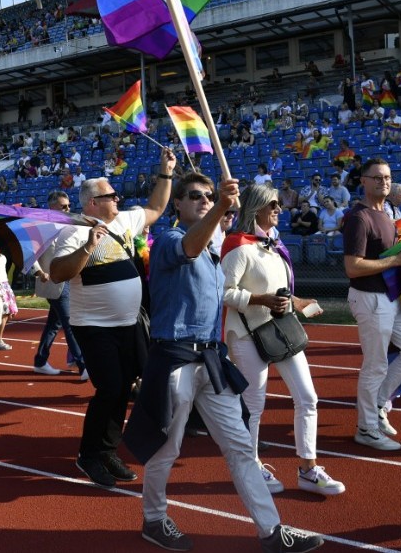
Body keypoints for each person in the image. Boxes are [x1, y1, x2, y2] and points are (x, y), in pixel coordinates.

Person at [122, 173, 324, 553]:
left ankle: (271, 530)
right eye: (194, 196)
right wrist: (220, 207)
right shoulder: (168, 240)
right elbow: (190, 247)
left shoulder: (217, 253)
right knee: (167, 448)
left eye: (208, 195)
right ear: (177, 205)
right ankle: (153, 518)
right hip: (175, 359)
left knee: (242, 446)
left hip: (211, 359)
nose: (202, 200)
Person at [50, 147, 176, 488]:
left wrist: (165, 172)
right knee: (110, 388)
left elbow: (155, 207)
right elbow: (58, 273)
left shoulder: (123, 220)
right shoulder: (72, 232)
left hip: (127, 324)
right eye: (111, 195)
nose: (118, 198)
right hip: (94, 326)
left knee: (122, 389)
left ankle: (107, 450)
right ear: (92, 202)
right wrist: (87, 247)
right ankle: (89, 454)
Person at [222, 184, 344, 496]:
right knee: (254, 404)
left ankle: (308, 468)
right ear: (256, 208)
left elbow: (280, 290)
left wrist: (298, 302)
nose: (280, 209)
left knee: (308, 397)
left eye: (279, 204)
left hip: (280, 329)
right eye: (273, 204)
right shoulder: (238, 245)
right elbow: (222, 292)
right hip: (248, 332)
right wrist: (260, 300)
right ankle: (250, 466)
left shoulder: (273, 244)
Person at [342, 158, 401, 451]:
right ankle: (365, 428)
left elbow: (394, 257)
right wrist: (397, 260)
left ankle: (378, 405)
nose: (383, 182)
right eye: (376, 178)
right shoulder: (359, 218)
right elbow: (352, 267)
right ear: (363, 181)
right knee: (375, 365)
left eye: (387, 177)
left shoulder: (388, 216)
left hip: (391, 298)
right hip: (370, 297)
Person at [31, 191, 86, 379]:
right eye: (63, 206)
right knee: (70, 323)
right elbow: (28, 252)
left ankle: (40, 360)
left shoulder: (70, 226)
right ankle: (83, 365)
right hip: (53, 281)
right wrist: (39, 272)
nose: (68, 209)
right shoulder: (40, 228)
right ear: (51, 207)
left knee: (53, 325)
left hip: (68, 281)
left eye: (69, 205)